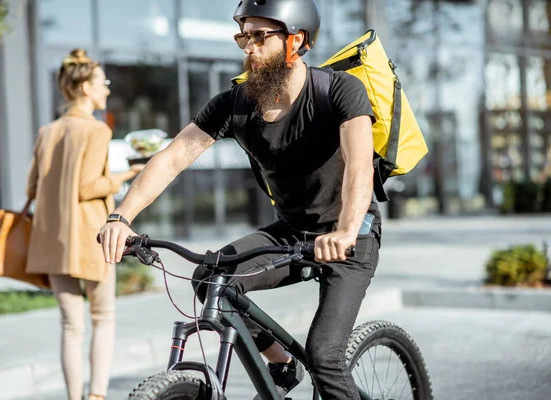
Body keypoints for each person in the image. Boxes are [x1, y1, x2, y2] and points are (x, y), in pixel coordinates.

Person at [98, 0, 381, 398]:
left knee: (324, 357)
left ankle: (311, 364)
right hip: (292, 233)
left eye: (259, 37)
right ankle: (281, 361)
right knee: (210, 278)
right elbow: (173, 158)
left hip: (351, 237)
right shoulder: (234, 104)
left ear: (295, 41)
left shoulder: (338, 91)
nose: (247, 46)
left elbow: (359, 167)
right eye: (243, 36)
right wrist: (120, 217)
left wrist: (347, 230)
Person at [25, 48, 144, 400]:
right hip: (92, 238)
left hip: (54, 240)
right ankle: (98, 396)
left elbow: (30, 188)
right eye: (102, 83)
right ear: (85, 89)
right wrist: (128, 174)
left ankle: (75, 397)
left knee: (69, 326)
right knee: (103, 317)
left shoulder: (48, 131)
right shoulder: (96, 131)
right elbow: (88, 187)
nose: (106, 89)